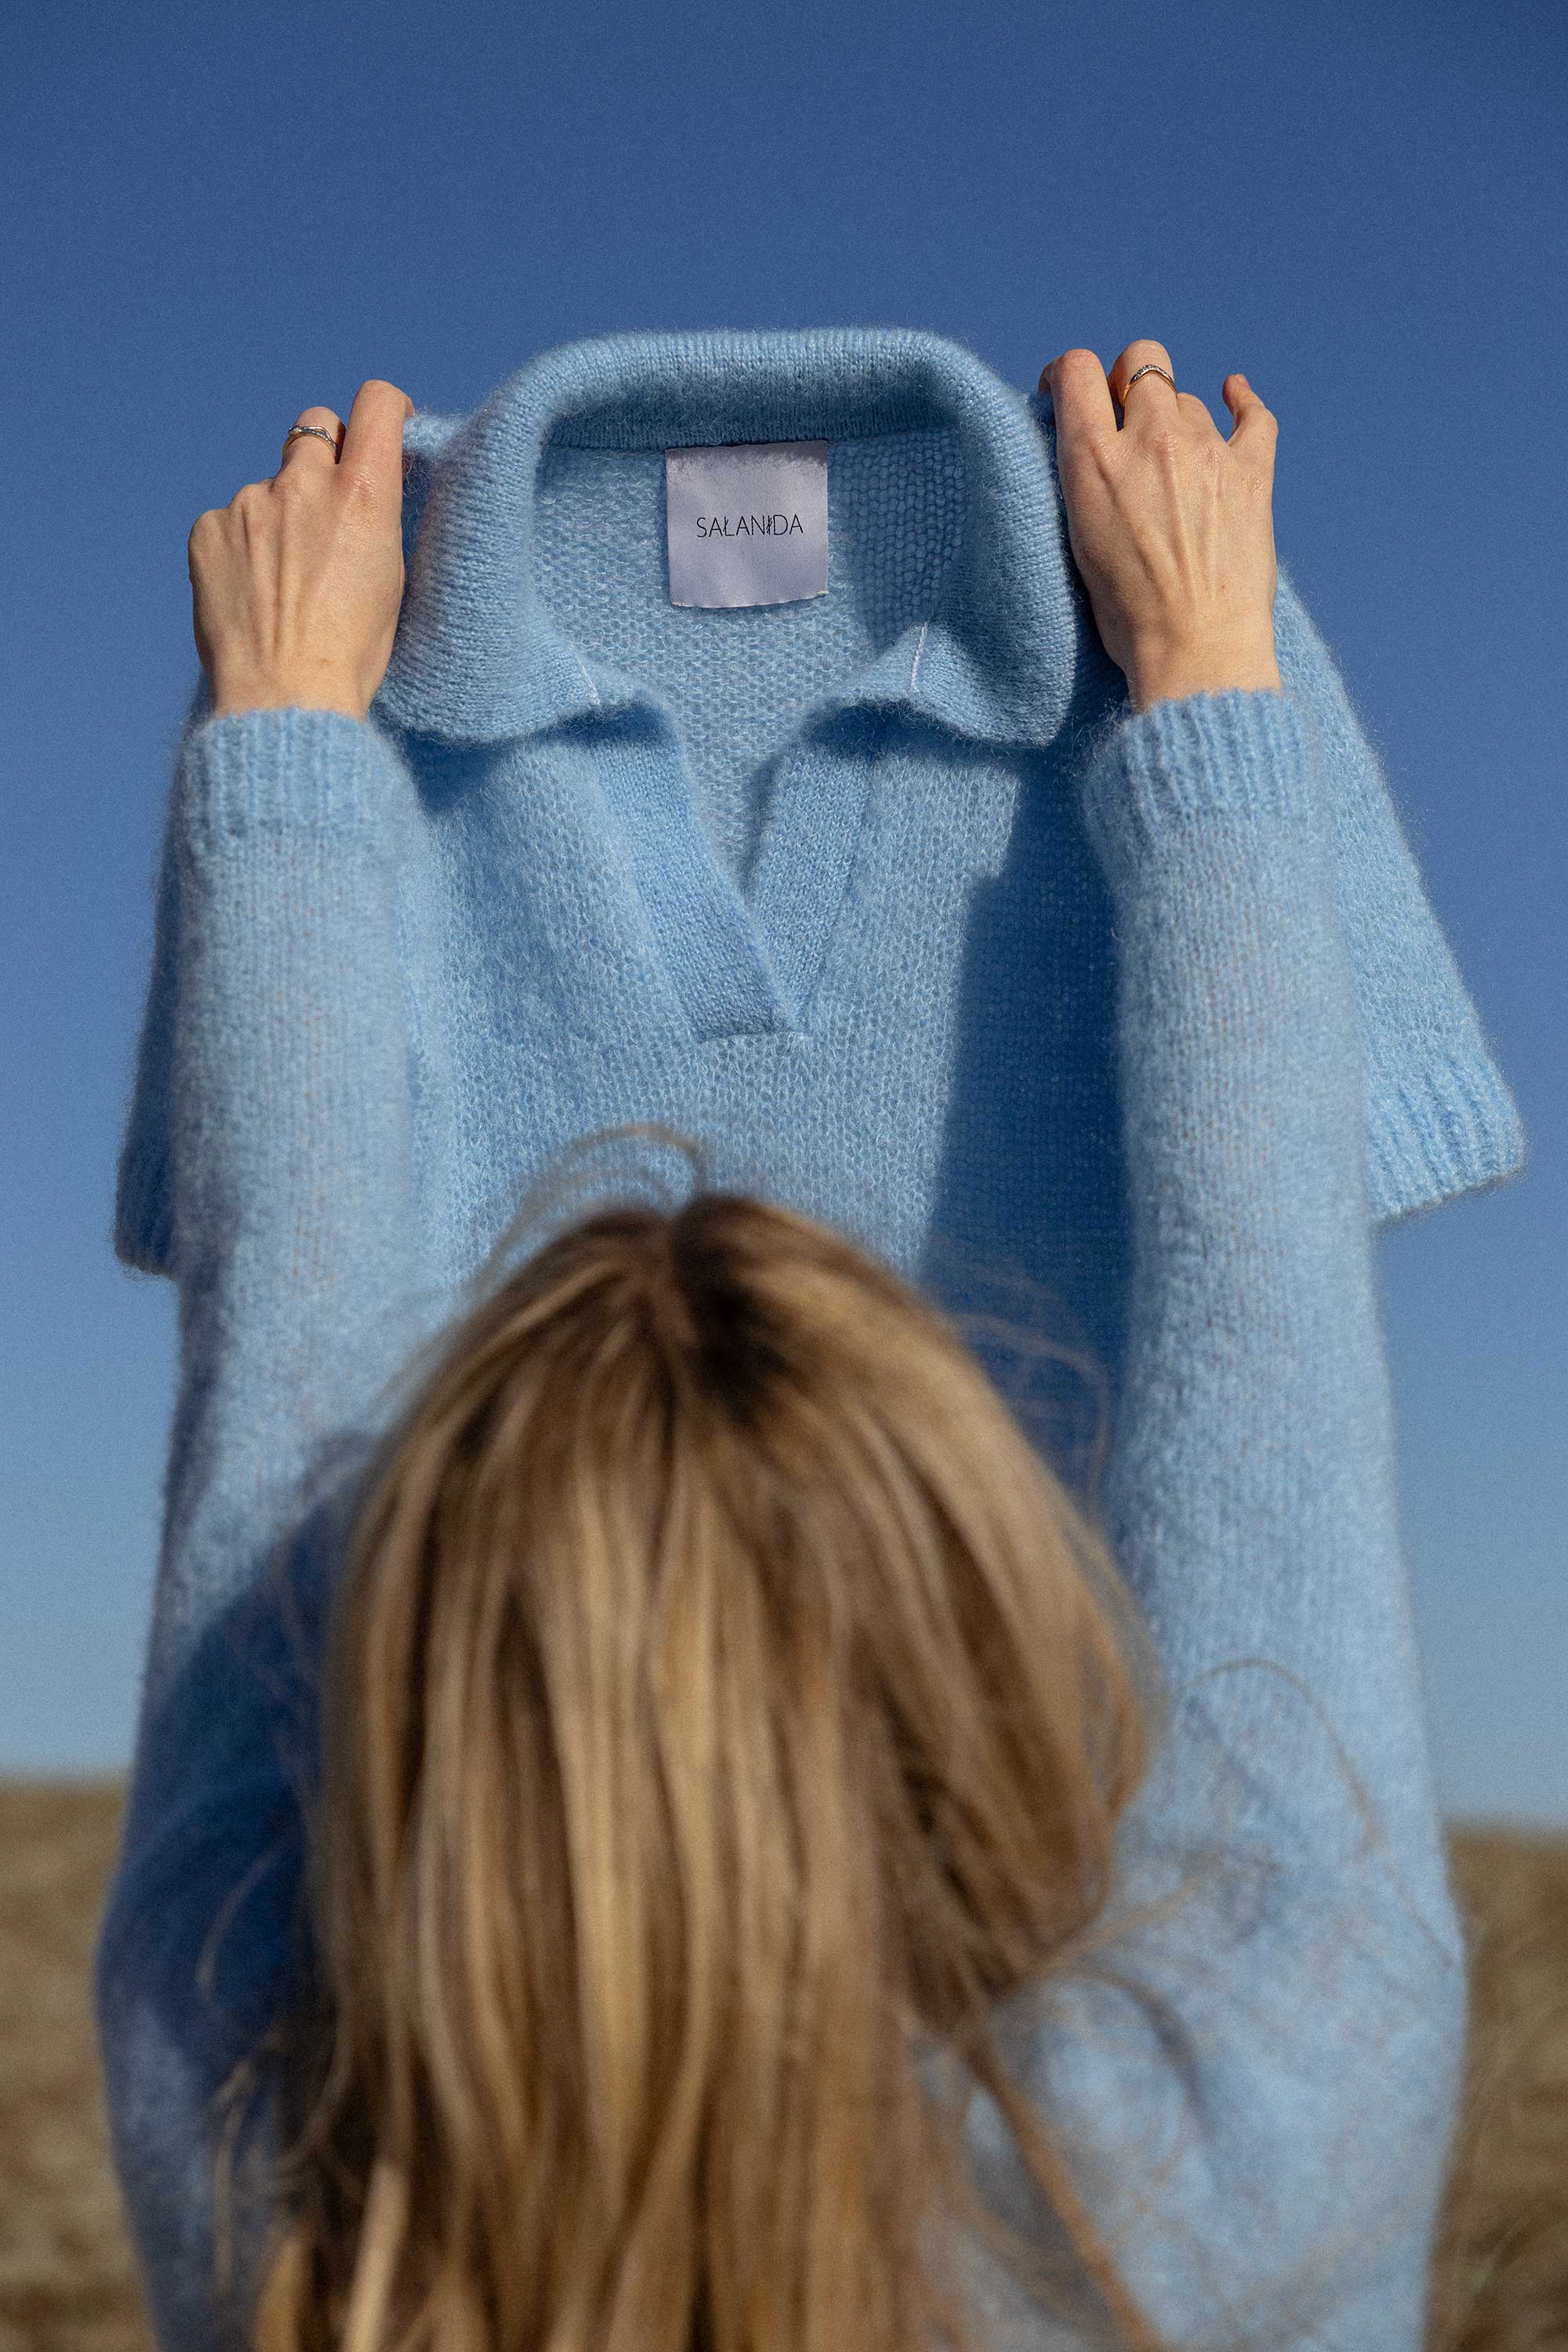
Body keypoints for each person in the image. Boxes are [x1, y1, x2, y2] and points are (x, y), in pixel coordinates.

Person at [96, 341, 1509, 2352]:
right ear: (992, 1612)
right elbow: (1260, 1311)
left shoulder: (305, 2174)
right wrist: (1211, 669)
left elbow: (273, 1378)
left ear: (419, 1653)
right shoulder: (1208, 2181)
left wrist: (276, 748)